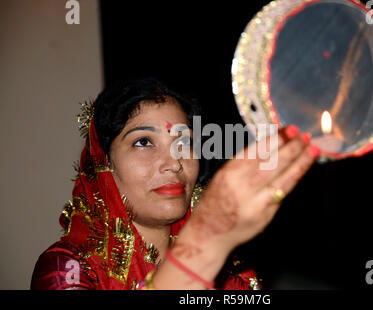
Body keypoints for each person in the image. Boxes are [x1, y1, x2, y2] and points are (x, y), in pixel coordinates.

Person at [30, 77, 320, 290]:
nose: (174, 162)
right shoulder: (68, 267)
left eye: (184, 143)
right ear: (103, 163)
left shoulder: (230, 271)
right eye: (143, 142)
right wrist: (206, 242)